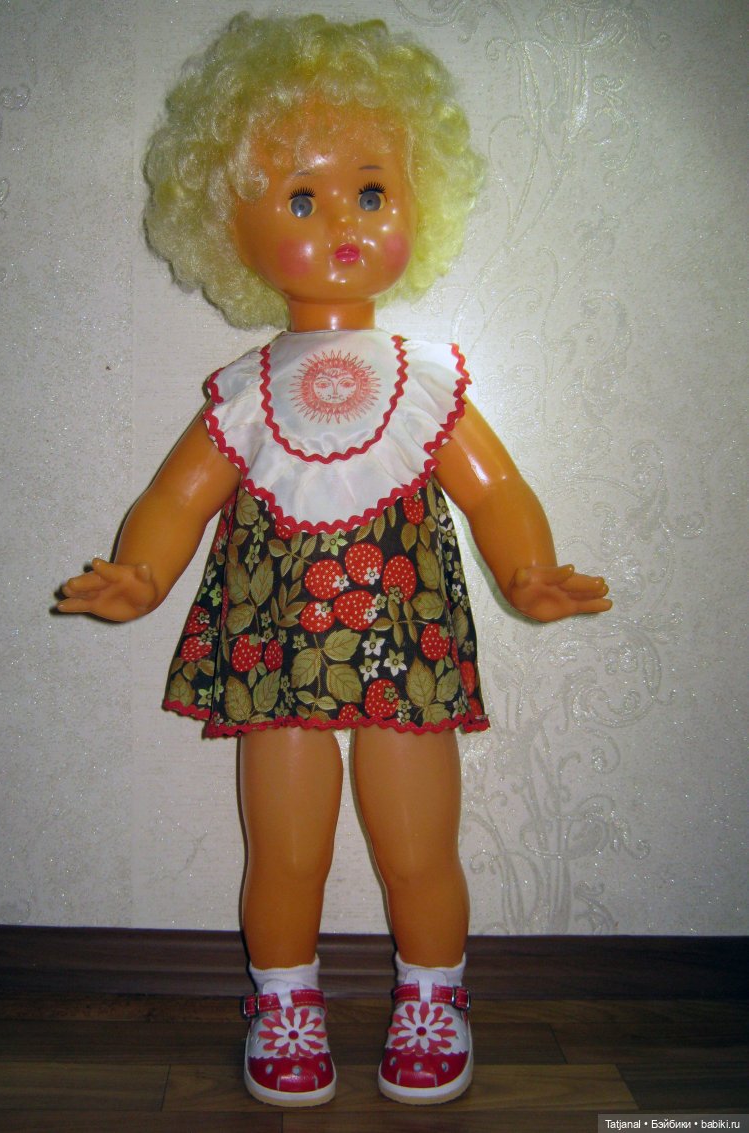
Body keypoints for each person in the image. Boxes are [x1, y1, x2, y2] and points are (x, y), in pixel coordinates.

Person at [58, 14, 611, 1108]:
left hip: (404, 642)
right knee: (284, 848)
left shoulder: (426, 380)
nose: (343, 221)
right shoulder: (243, 392)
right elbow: (177, 496)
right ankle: (283, 996)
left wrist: (528, 566)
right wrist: (141, 572)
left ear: (418, 205)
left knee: (419, 845)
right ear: (228, 223)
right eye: (301, 199)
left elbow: (494, 487)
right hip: (276, 650)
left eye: (370, 191)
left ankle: (434, 991)